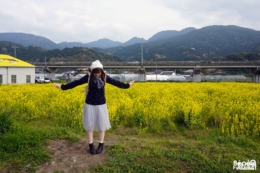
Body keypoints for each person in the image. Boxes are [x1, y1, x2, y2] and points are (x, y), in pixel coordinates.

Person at [54, 60, 134, 154]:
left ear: (101, 71)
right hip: (89, 105)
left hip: (101, 105)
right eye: (95, 72)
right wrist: (62, 87)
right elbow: (76, 83)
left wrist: (128, 85)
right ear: (92, 72)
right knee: (90, 126)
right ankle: (91, 145)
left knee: (101, 126)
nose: (97, 74)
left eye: (99, 72)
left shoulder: (104, 77)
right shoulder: (88, 77)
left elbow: (116, 83)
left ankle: (101, 145)